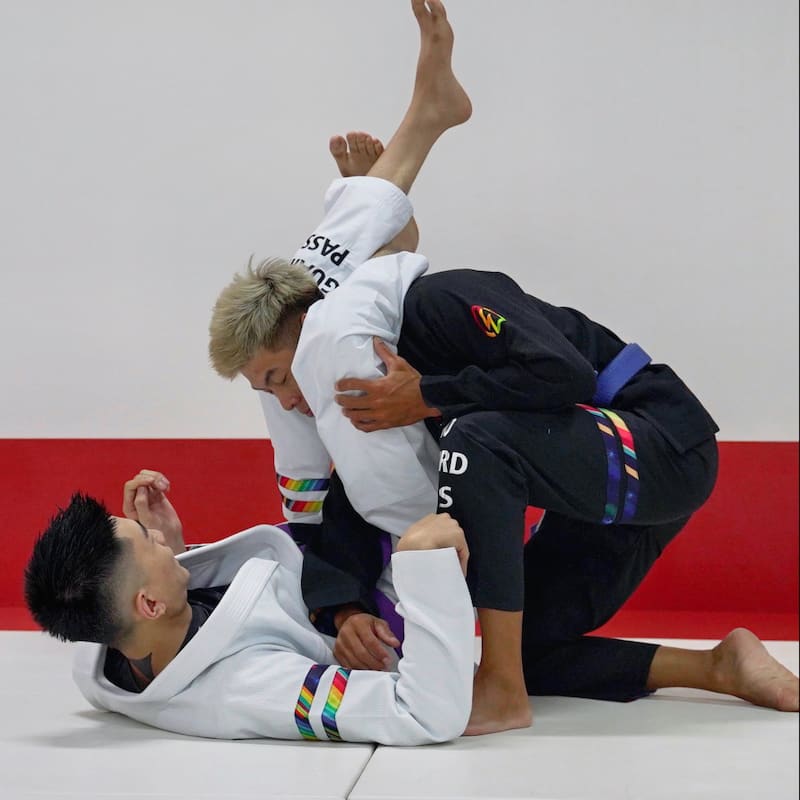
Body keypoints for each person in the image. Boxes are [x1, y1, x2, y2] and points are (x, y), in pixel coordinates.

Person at [208, 4, 800, 735]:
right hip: (600, 490)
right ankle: (719, 666)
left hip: (662, 440)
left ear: (310, 326)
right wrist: (347, 610)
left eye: (276, 379)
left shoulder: (442, 297)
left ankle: (501, 692)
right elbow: (358, 512)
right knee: (528, 639)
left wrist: (429, 394)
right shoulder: (368, 394)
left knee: (476, 444)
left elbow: (564, 378)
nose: (287, 403)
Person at [24, 469, 474, 744]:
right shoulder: (251, 689)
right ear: (149, 603)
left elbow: (178, 625)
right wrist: (427, 569)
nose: (156, 537)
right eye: (147, 540)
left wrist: (174, 551)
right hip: (399, 597)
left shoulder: (105, 650)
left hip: (341, 559)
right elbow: (422, 714)